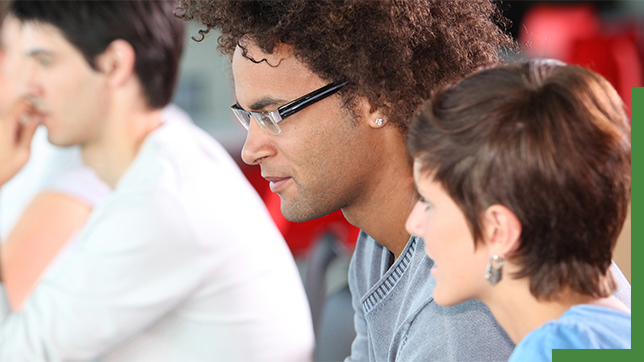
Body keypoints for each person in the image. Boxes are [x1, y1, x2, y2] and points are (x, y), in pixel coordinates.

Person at [177, 1, 632, 361]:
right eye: (246, 117)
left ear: (374, 99)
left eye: (273, 115)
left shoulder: (462, 308)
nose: (251, 148)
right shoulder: (379, 246)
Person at [0, 1, 314, 361]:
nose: (26, 87)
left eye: (45, 61)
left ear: (114, 64)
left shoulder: (162, 199)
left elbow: (13, 352)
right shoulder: (164, 162)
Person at [405, 58, 631, 361]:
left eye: (429, 203)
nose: (413, 224)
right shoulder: (617, 331)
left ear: (498, 231)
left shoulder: (547, 350)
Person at [0, 11, 111, 312]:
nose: (26, 79)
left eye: (41, 58)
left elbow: (12, 309)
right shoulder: (25, 145)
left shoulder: (71, 153)